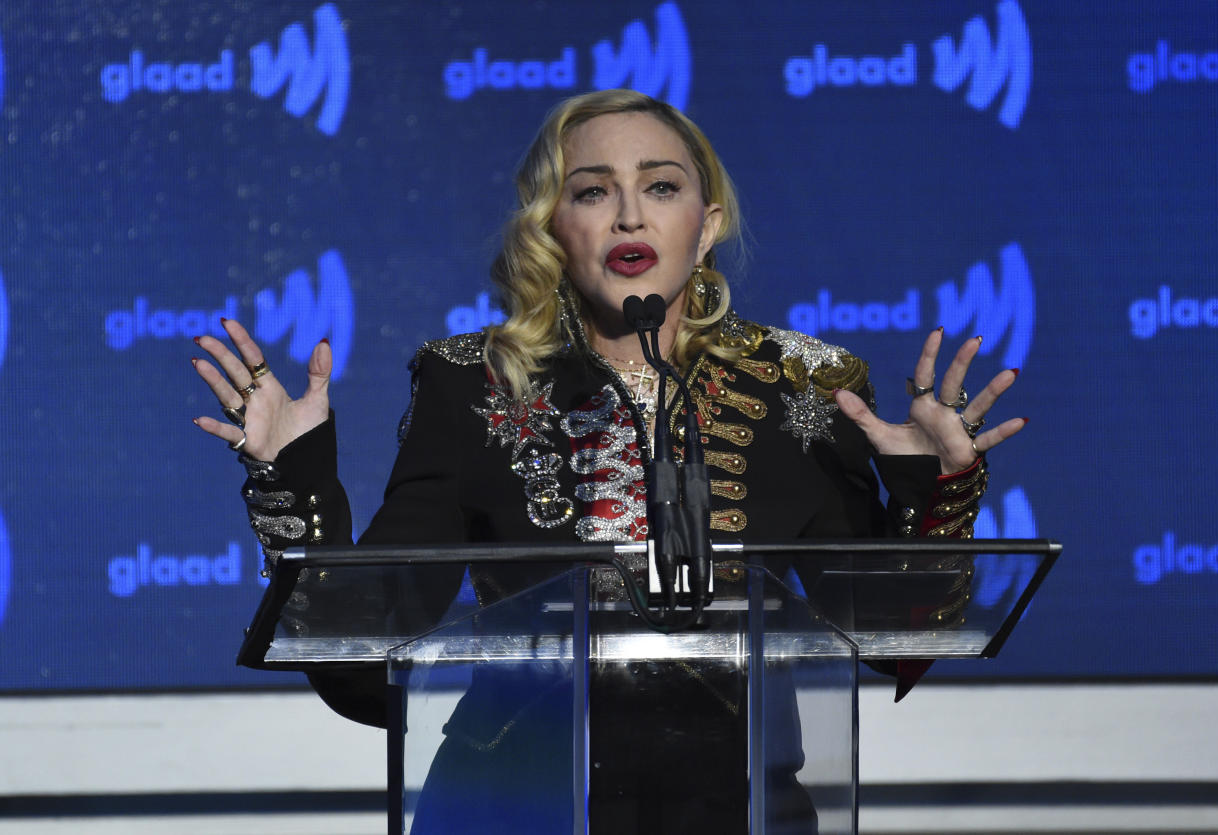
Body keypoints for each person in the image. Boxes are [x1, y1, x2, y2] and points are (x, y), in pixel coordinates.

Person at [192, 89, 1023, 833]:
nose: (630, 216)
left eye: (661, 186)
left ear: (710, 221)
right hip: (508, 805)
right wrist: (294, 479)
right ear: (554, 225)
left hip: (733, 811)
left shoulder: (805, 389)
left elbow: (892, 641)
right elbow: (369, 667)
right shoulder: (471, 383)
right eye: (593, 191)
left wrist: (936, 485)